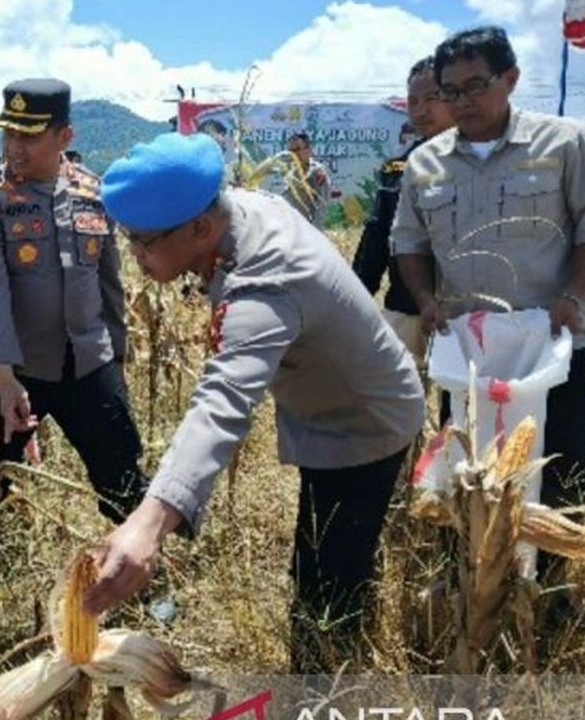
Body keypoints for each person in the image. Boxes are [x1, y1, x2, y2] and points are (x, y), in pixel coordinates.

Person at [84, 132, 425, 673]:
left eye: (143, 242)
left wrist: (147, 523)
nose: (135, 257)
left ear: (199, 228)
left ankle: (325, 683)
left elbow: (221, 404)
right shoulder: (239, 209)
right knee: (322, 555)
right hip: (334, 404)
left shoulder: (264, 283)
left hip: (363, 423)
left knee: (330, 582)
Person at [391, 27, 585, 627]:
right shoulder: (425, 164)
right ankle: (469, 585)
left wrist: (571, 294)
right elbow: (409, 245)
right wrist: (425, 299)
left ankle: (552, 597)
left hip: (554, 347)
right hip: (470, 355)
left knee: (561, 469)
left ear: (511, 79)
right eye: (450, 91)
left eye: (476, 86)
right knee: (466, 469)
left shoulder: (563, 144)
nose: (463, 101)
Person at [0, 78, 146, 522]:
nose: (14, 147)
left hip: (87, 361)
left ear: (65, 137)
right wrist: (4, 378)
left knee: (122, 480)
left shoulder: (92, 191)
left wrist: (116, 358)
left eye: (30, 136)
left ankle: (140, 569)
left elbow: (109, 282)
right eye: (9, 133)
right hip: (15, 366)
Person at [352, 56, 456, 362]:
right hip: (406, 308)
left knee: (464, 402)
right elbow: (376, 239)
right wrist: (353, 299)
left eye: (432, 98)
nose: (421, 110)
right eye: (413, 101)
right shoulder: (396, 168)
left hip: (466, 313)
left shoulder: (482, 164)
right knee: (399, 399)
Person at [280, 131, 333, 227]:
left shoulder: (317, 172)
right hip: (290, 228)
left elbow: (322, 206)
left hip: (306, 230)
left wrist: (313, 232)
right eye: (290, 151)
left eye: (297, 149)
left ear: (308, 150)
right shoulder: (290, 171)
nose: (293, 154)